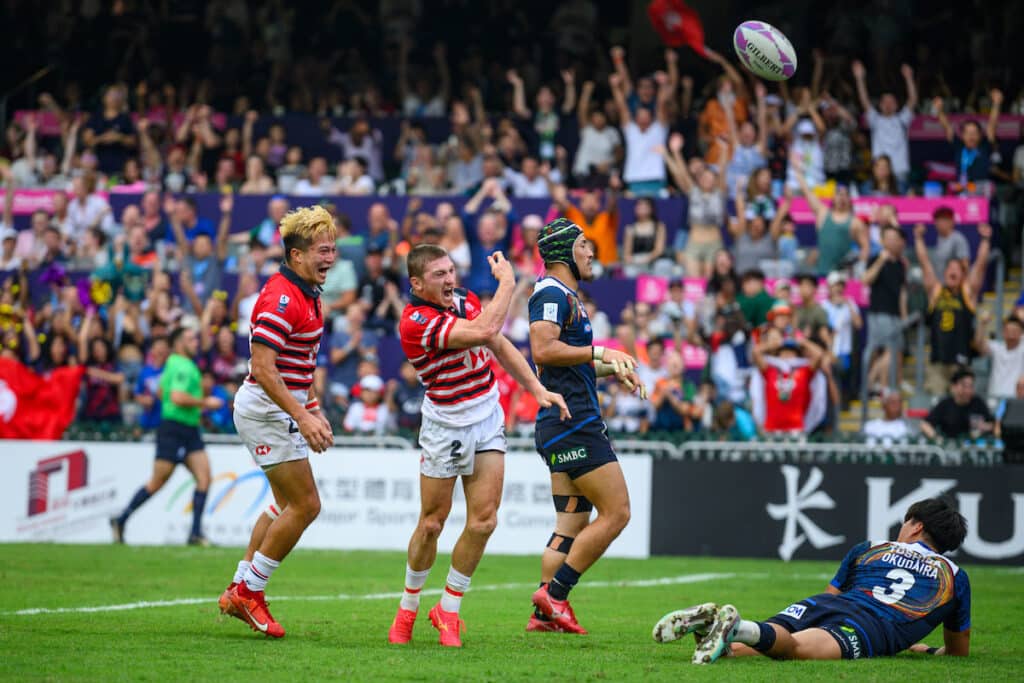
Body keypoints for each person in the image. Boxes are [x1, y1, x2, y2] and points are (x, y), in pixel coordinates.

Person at [388, 244, 568, 648]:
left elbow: (498, 343)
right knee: (432, 522)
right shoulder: (415, 321)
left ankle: (448, 611)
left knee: (485, 520)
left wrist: (536, 388)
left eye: (451, 270)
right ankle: (408, 605)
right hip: (445, 423)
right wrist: (508, 283)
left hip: (486, 416)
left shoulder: (466, 300)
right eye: (439, 274)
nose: (450, 279)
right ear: (417, 283)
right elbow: (485, 330)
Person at [654, 498, 970, 664]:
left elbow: (829, 594)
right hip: (868, 628)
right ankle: (736, 627)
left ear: (915, 526)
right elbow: (957, 652)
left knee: (753, 645)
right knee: (795, 650)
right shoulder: (954, 578)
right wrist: (927, 650)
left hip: (830, 604)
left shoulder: (870, 548)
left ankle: (719, 631)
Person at [219, 205, 337, 639]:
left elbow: (296, 363)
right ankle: (251, 592)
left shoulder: (306, 292)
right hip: (266, 408)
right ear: (296, 256)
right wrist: (301, 415)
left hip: (277, 406)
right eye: (321, 251)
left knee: (284, 505)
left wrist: (313, 404)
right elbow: (264, 367)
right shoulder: (282, 297)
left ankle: (239, 583)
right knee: (306, 506)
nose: (330, 258)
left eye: (333, 249)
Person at [527, 217, 647, 635]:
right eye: (584, 245)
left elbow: (569, 366)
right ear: (563, 253)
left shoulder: (566, 297)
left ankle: (542, 616)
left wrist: (613, 367)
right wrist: (602, 349)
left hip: (560, 422)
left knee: (570, 526)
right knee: (618, 513)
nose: (592, 252)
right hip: (574, 424)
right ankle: (555, 596)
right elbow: (542, 349)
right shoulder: (551, 293)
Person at [110, 327, 223, 545]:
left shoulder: (172, 363)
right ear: (179, 343)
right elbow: (177, 396)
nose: (195, 342)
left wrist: (184, 407)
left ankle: (195, 533)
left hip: (188, 429)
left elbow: (162, 392)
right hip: (174, 429)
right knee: (157, 482)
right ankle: (121, 519)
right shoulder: (182, 365)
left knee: (204, 478)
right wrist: (204, 403)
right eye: (191, 338)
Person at [915, 223, 990, 395]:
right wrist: (918, 238)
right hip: (937, 363)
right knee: (936, 402)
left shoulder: (967, 293)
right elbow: (925, 263)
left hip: (961, 362)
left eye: (957, 269)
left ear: (963, 275)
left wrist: (985, 240)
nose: (953, 271)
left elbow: (980, 265)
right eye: (950, 268)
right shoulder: (936, 291)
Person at [852, 61, 918, 190]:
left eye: (891, 101)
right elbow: (864, 101)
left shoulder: (902, 119)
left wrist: (909, 78)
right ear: (880, 105)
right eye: (885, 101)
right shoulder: (875, 119)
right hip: (879, 170)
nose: (888, 104)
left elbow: (913, 100)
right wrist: (860, 78)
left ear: (896, 105)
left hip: (900, 170)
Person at [920, 368, 994, 440]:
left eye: (971, 386)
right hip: (950, 446)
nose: (968, 391)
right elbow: (925, 424)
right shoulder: (945, 404)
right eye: (964, 386)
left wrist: (984, 427)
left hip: (974, 446)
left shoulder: (978, 403)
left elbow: (992, 424)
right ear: (953, 386)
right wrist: (936, 438)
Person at [973, 310, 1024, 400]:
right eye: (1008, 330)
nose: (1011, 333)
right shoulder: (997, 348)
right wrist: (982, 324)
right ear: (1003, 332)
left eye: (1015, 330)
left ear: (1021, 333)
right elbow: (978, 345)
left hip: (1017, 399)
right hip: (995, 396)